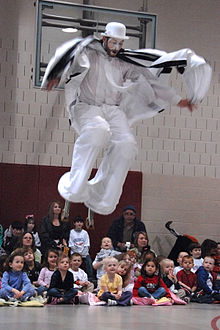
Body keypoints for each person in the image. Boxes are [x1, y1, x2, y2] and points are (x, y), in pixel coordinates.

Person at [42, 21, 209, 216]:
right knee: (98, 132)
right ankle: (74, 185)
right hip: (87, 107)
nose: (116, 48)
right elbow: (66, 56)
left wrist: (177, 99)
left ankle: (102, 197)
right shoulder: (89, 54)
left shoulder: (125, 61)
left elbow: (150, 79)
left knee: (127, 146)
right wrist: (54, 74)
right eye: (113, 43)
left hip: (113, 110)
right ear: (104, 39)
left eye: (119, 44)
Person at [68, 215, 94, 281]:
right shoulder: (71, 232)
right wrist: (77, 254)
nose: (79, 223)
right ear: (74, 223)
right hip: (74, 253)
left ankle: (90, 278)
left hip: (84, 253)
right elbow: (71, 245)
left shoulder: (85, 233)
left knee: (88, 260)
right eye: (77, 222)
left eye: (81, 222)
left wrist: (82, 254)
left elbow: (87, 245)